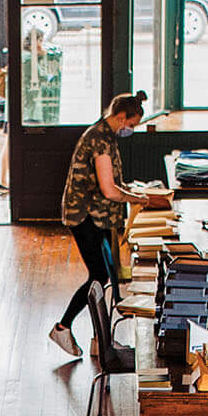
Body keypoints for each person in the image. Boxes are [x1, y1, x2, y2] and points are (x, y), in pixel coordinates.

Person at [50, 90, 166, 359]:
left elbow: (112, 184)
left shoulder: (104, 134)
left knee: (108, 275)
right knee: (99, 276)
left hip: (95, 214)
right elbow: (109, 189)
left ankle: (99, 341)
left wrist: (134, 192)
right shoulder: (99, 140)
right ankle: (63, 327)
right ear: (121, 116)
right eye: (132, 124)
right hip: (84, 215)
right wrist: (138, 199)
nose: (131, 130)